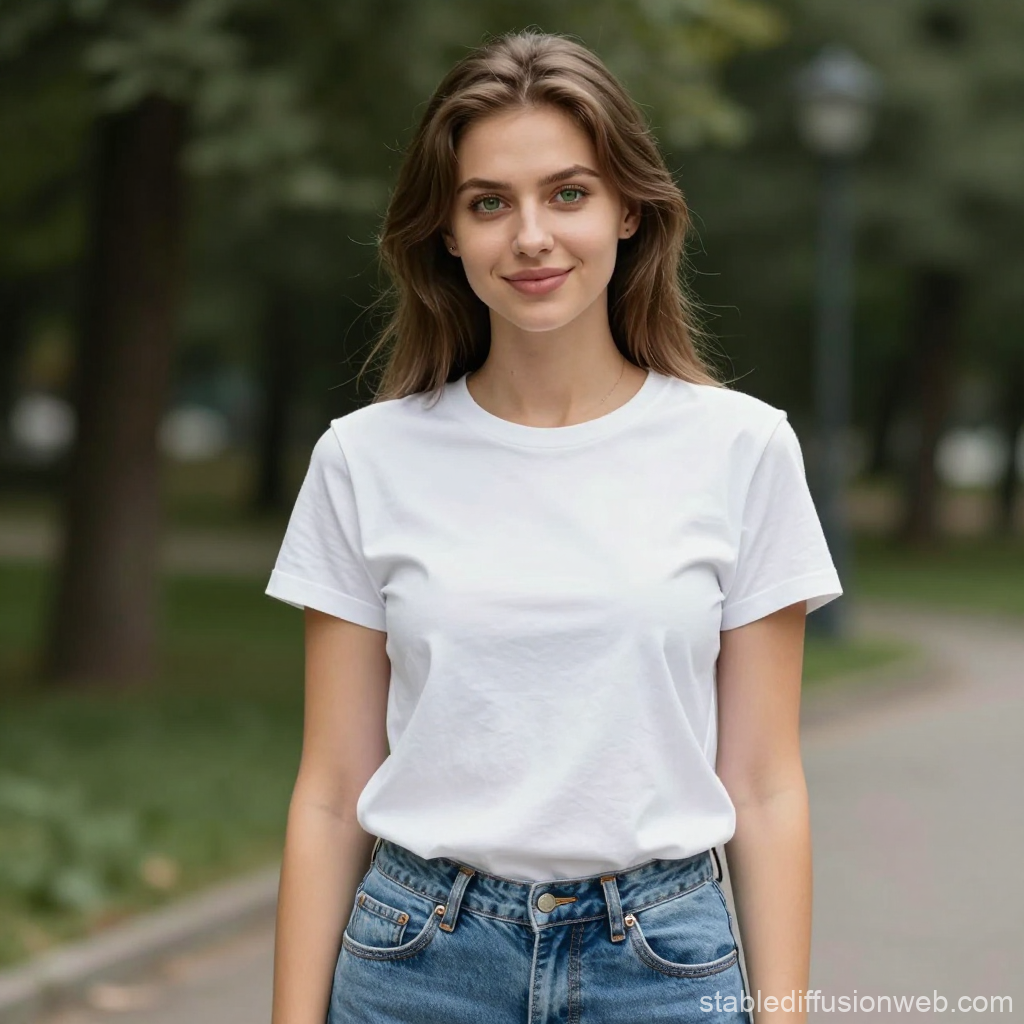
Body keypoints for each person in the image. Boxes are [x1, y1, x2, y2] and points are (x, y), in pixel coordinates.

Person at [264, 29, 842, 1024]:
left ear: (627, 209)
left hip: (660, 962)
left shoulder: (742, 450)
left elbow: (762, 783)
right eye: (489, 202)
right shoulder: (363, 460)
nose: (529, 235)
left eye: (566, 193)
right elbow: (329, 788)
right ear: (446, 232)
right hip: (416, 961)